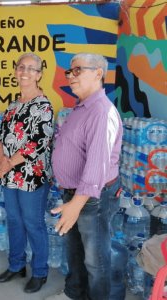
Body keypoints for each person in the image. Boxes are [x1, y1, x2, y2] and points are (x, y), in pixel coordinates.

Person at [46, 53, 123, 300]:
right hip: (74, 194)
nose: (70, 76)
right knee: (75, 253)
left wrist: (75, 206)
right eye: (69, 72)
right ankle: (74, 294)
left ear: (98, 73)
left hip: (92, 198)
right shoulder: (81, 107)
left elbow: (96, 167)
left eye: (77, 70)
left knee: (96, 261)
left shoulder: (101, 112)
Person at [0, 53, 54, 294]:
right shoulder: (14, 104)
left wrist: (8, 164)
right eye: (21, 67)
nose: (25, 72)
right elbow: (0, 136)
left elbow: (38, 143)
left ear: (39, 75)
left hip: (32, 176)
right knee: (14, 221)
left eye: (31, 69)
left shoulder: (43, 106)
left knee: (33, 223)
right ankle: (16, 265)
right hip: (9, 176)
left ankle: (40, 272)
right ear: (16, 71)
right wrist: (1, 160)